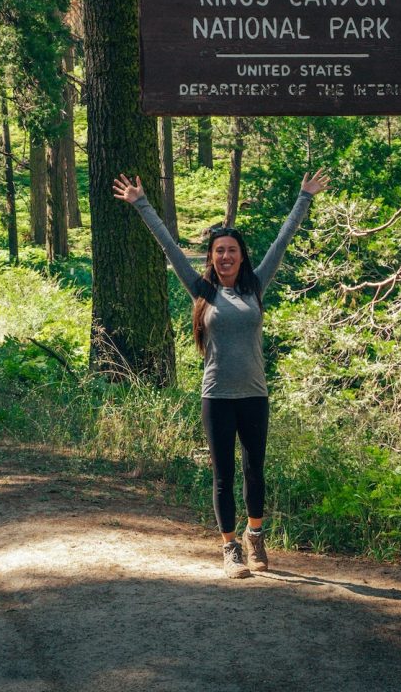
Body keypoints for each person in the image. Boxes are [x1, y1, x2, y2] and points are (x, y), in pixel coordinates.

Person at [113, 168, 330, 578]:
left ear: (241, 255)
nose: (226, 256)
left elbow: (282, 241)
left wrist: (304, 197)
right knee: (223, 475)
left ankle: (255, 537)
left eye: (232, 250)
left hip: (254, 394)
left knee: (255, 470)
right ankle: (229, 548)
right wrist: (141, 203)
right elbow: (169, 247)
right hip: (216, 397)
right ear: (212, 258)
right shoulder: (202, 291)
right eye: (219, 252)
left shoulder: (255, 287)